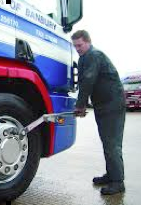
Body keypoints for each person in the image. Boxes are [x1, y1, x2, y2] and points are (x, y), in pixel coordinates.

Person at [71, 30, 126, 195]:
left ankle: (118, 182)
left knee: (112, 144)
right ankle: (111, 175)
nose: (77, 49)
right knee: (107, 143)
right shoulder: (84, 58)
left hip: (112, 105)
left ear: (88, 42)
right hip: (103, 106)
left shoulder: (94, 55)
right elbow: (85, 82)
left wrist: (80, 106)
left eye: (79, 45)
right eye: (75, 46)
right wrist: (84, 103)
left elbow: (88, 80)